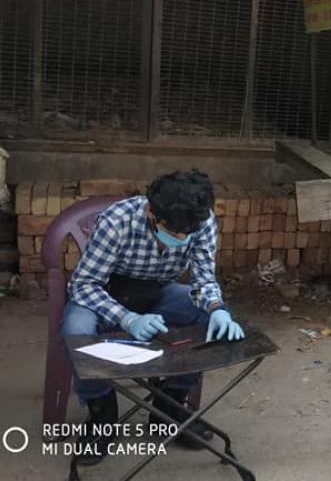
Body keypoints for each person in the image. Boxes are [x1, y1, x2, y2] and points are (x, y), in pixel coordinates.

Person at [62, 170, 244, 463]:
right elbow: (83, 285)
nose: (182, 239)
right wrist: (128, 319)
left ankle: (170, 405)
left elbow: (203, 279)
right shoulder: (118, 220)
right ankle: (101, 414)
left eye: (188, 233)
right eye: (173, 233)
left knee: (206, 318)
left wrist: (217, 309)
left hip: (158, 292)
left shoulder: (202, 219)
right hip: (108, 293)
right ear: (150, 212)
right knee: (76, 327)